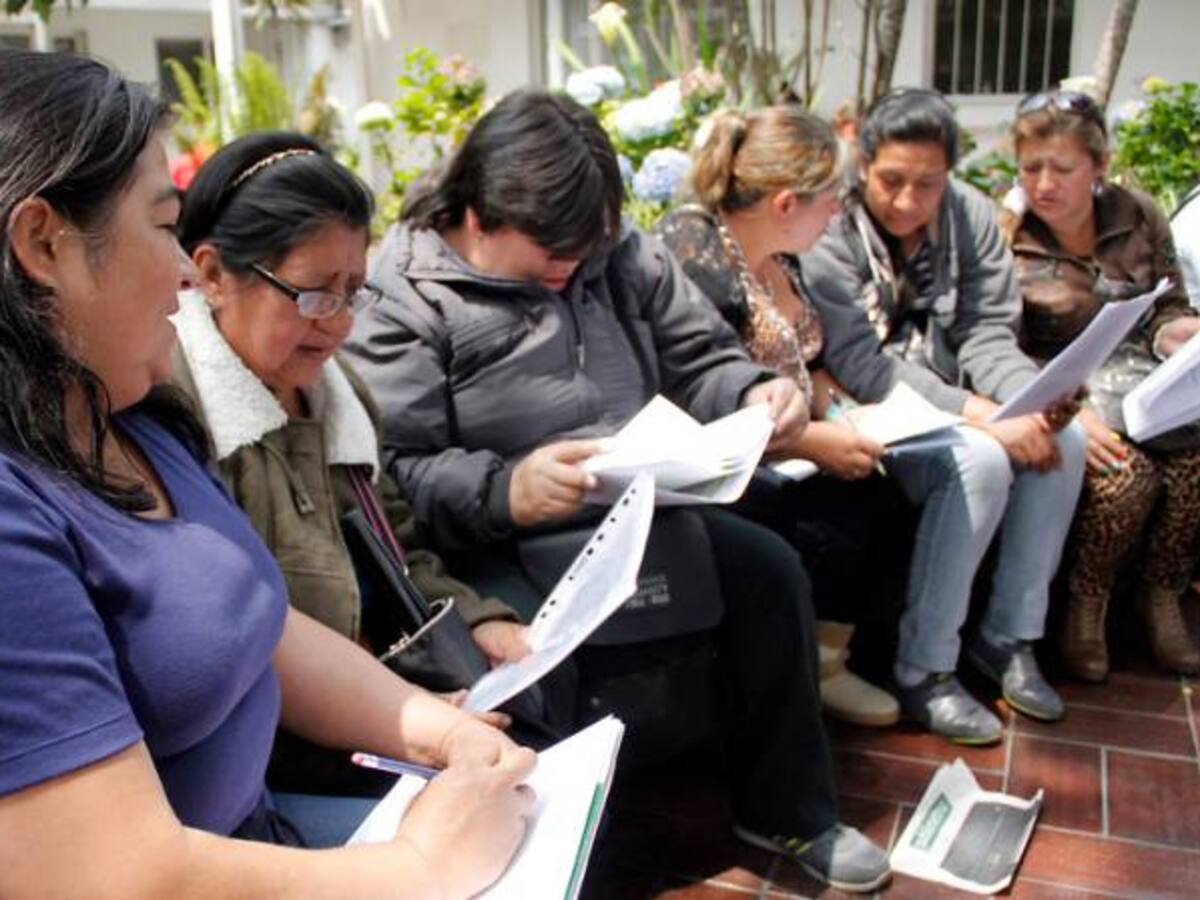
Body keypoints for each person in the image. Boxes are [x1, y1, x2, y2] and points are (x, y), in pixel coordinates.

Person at [0, 49, 534, 899]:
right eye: (165, 225)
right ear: (44, 243)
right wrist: (425, 866)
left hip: (261, 832)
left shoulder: (131, 415)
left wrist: (441, 731)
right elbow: (114, 874)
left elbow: (267, 627)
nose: (183, 270)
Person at [344, 88, 892, 892]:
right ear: (478, 216)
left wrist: (749, 394)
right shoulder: (406, 294)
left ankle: (788, 807)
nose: (568, 272)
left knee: (768, 570)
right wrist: (507, 491)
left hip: (641, 507)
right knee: (529, 651)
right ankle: (553, 860)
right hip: (500, 538)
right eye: (548, 253)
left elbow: (699, 356)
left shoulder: (618, 254)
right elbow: (397, 470)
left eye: (583, 251)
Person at [172, 131, 552, 794]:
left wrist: (472, 615)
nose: (341, 324)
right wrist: (408, 719)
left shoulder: (338, 394)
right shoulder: (180, 414)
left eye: (353, 292)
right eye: (316, 294)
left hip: (375, 692)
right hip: (275, 744)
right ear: (211, 274)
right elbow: (233, 639)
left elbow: (395, 541)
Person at [800, 88, 1087, 743]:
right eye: (891, 181)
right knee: (978, 461)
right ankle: (924, 668)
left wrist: (1032, 401)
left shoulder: (971, 218)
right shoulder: (830, 230)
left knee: (1060, 442)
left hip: (953, 395)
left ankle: (1007, 637)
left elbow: (989, 332)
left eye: (927, 185)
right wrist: (985, 418)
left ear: (949, 175)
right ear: (863, 162)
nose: (907, 201)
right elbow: (863, 364)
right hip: (865, 407)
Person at [654, 106, 908, 729]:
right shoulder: (700, 257)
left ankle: (833, 658)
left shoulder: (782, 259)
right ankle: (812, 672)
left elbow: (805, 361)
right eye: (832, 200)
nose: (838, 216)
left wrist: (844, 416)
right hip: (730, 464)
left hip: (794, 439)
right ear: (787, 202)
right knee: (838, 506)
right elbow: (698, 398)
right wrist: (815, 443)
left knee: (891, 483)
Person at [1001, 89, 1200, 680]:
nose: (1044, 183)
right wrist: (1065, 411)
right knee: (1124, 477)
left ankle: (1162, 599)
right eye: (1031, 167)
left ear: (1099, 165)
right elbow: (996, 341)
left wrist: (1181, 335)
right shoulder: (1007, 229)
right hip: (1056, 387)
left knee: (1194, 465)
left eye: (1061, 168)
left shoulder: (1137, 214)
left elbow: (1167, 307)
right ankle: (1086, 610)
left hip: (1142, 384)